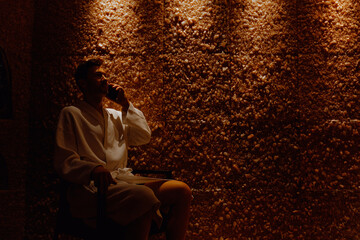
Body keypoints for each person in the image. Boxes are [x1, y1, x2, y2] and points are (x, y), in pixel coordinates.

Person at [54, 58, 192, 240]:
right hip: (91, 189)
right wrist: (93, 169)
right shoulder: (72, 113)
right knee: (142, 196)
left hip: (123, 183)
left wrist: (126, 104)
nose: (105, 79)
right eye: (98, 75)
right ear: (83, 83)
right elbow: (65, 159)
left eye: (105, 75)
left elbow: (143, 136)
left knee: (181, 191)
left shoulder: (116, 115)